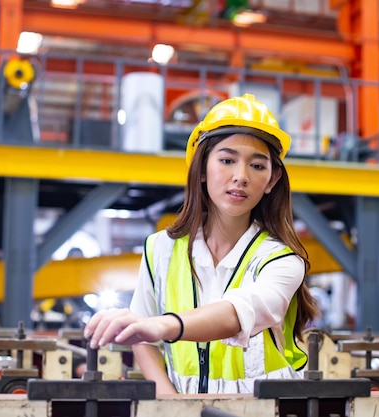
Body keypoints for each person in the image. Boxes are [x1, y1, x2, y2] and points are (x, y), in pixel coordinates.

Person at [84, 93, 319, 394]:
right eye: (227, 160)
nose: (241, 176)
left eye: (257, 166)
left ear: (272, 181)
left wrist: (163, 325)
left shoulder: (282, 260)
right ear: (203, 168)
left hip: (266, 410)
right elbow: (144, 339)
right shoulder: (160, 250)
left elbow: (237, 313)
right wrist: (172, 406)